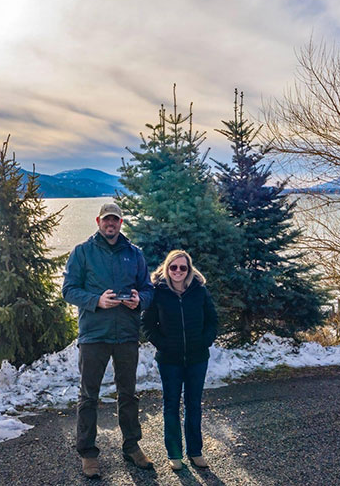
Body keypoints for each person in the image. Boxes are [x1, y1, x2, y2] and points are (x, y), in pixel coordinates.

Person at [62, 202, 155, 479]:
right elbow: (68, 290)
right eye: (106, 220)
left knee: (128, 393)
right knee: (89, 396)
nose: (110, 224)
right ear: (98, 221)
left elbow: (148, 289)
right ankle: (88, 453)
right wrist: (96, 301)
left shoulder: (134, 254)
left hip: (126, 335)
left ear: (121, 223)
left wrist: (139, 301)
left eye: (115, 220)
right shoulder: (83, 252)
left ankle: (131, 446)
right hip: (93, 336)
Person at [141, 249, 218, 471]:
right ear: (167, 268)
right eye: (173, 267)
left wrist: (204, 341)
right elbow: (147, 324)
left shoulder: (199, 291)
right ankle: (174, 454)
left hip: (197, 358)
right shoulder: (158, 292)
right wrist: (163, 344)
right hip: (169, 360)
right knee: (171, 406)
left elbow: (212, 320)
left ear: (189, 269)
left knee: (193, 405)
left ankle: (195, 452)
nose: (177, 271)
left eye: (182, 267)